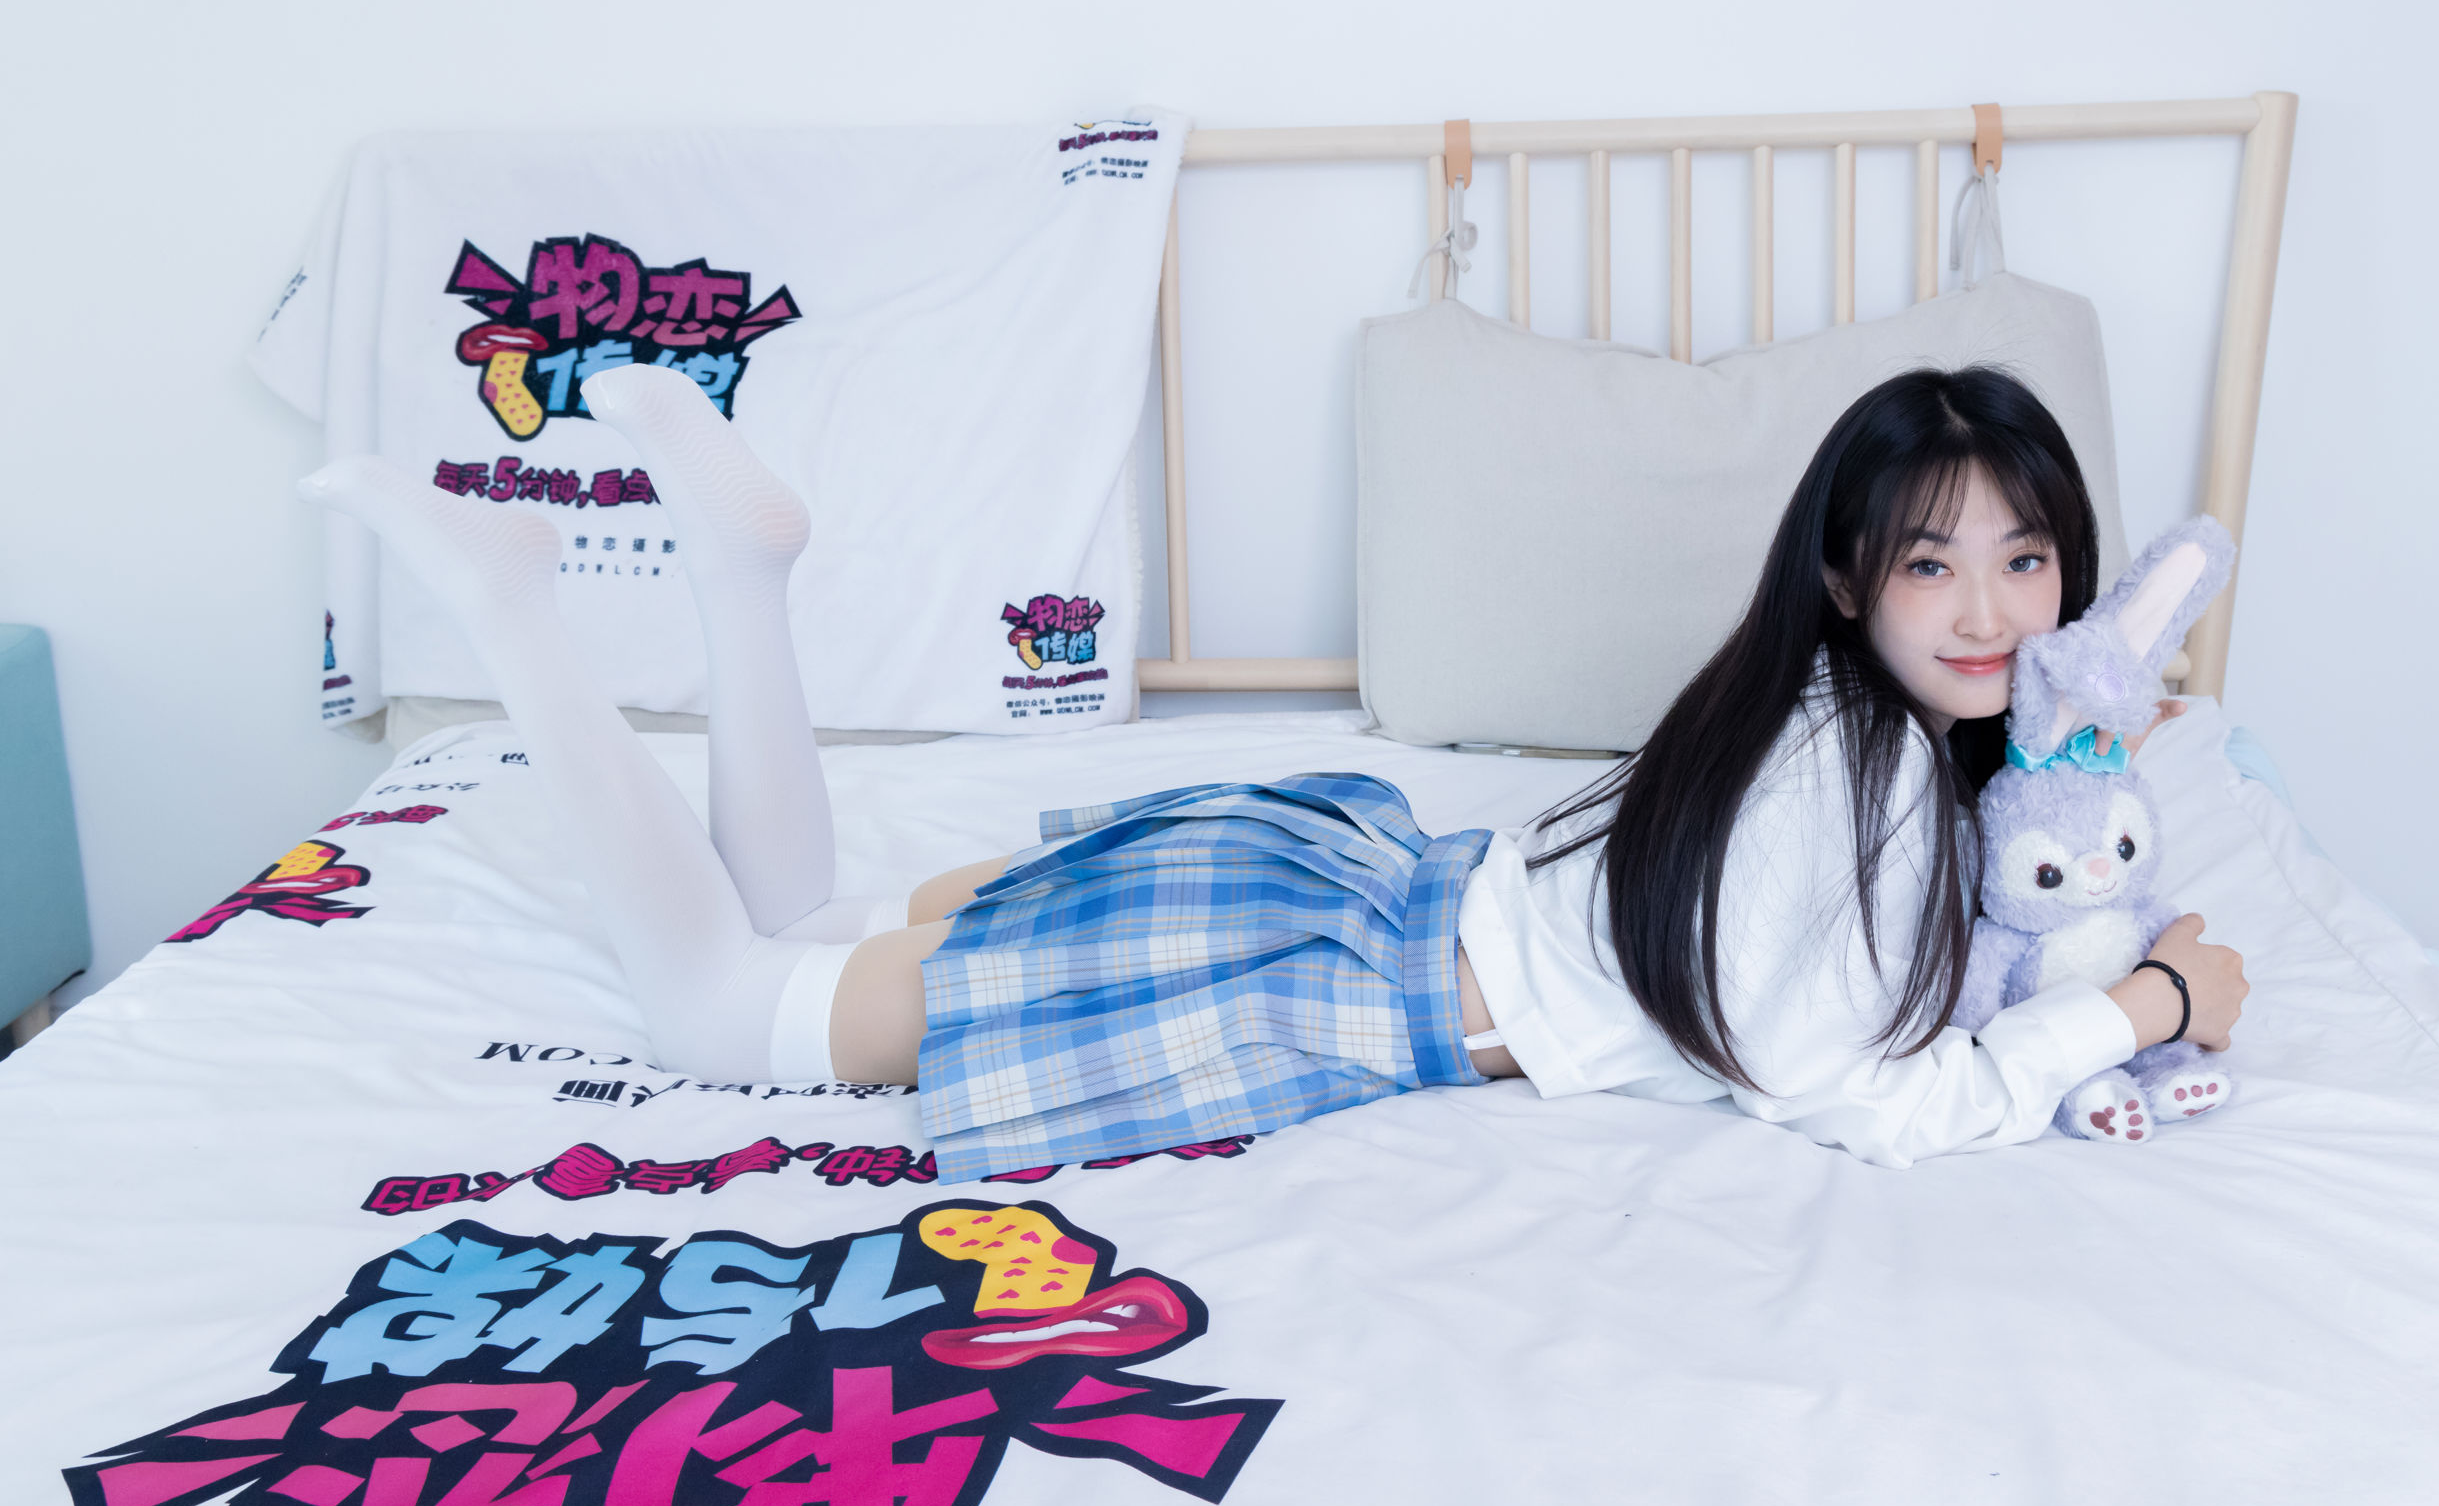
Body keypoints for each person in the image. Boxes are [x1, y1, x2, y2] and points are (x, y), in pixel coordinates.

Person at [303, 362, 2246, 1179]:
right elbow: (1858, 1099)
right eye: (1929, 564)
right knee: (718, 1014)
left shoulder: (1814, 717)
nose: (1986, 611)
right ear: (1845, 576)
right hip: (1294, 970)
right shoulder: (1861, 785)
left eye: (2023, 563)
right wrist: (2145, 1003)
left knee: (805, 926)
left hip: (1325, 872)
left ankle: (741, 579)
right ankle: (514, 620)